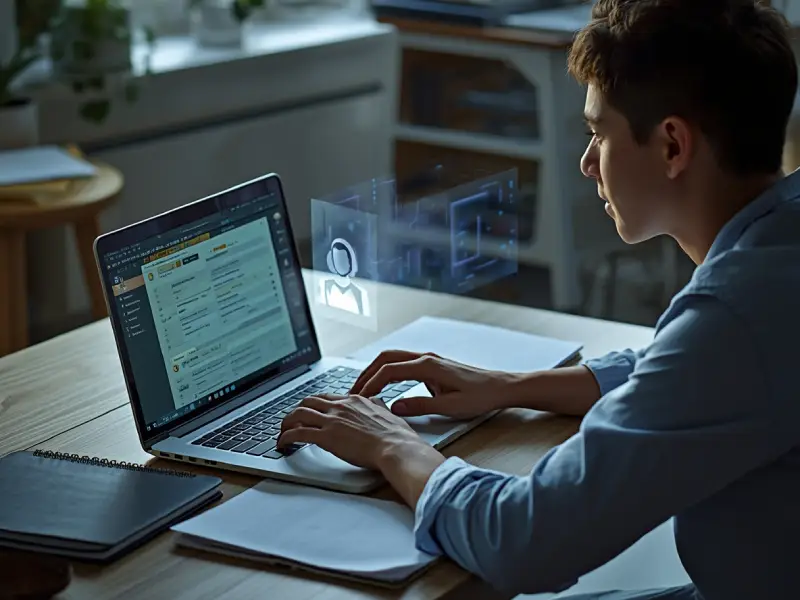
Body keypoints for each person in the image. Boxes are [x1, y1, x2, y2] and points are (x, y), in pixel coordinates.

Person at [277, 1, 800, 598]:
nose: (586, 163)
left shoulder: (736, 313)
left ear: (673, 146)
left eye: (598, 133)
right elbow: (685, 369)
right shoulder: (777, 249)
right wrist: (513, 386)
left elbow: (525, 540)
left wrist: (391, 444)